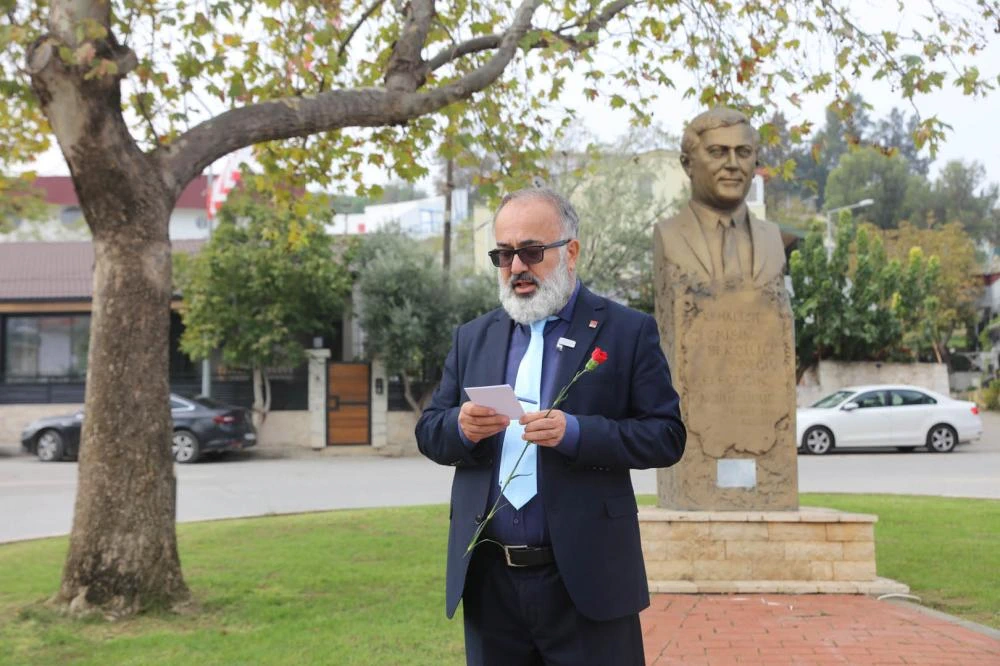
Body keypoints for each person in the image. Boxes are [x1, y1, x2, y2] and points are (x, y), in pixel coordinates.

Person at [416, 187, 686, 665]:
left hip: (587, 581)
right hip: (490, 581)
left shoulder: (626, 330)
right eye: (503, 254)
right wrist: (461, 427)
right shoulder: (472, 338)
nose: (516, 267)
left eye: (531, 252)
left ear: (571, 252)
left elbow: (666, 436)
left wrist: (578, 434)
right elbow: (430, 432)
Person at [654, 107, 785, 287]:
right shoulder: (668, 235)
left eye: (743, 152)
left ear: (755, 164)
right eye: (717, 152)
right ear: (687, 164)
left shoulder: (772, 238)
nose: (732, 164)